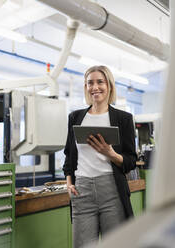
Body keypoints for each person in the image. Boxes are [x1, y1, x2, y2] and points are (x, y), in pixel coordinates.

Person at [63, 65, 137, 248]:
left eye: (100, 82)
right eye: (90, 83)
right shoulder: (75, 117)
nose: (95, 87)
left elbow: (131, 161)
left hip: (111, 190)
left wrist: (110, 154)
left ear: (109, 85)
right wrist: (69, 182)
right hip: (82, 190)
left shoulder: (124, 119)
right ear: (86, 87)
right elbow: (69, 154)